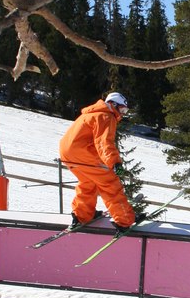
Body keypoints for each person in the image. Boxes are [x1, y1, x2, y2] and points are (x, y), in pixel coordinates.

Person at [59, 92, 139, 234]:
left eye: (125, 111)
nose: (123, 114)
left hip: (67, 152)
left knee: (88, 181)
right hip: (83, 153)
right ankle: (125, 220)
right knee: (109, 182)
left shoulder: (90, 114)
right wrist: (115, 163)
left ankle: (81, 215)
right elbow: (103, 142)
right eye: (122, 109)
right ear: (113, 104)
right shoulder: (106, 115)